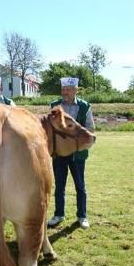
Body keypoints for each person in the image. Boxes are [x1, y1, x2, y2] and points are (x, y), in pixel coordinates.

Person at [47, 77, 95, 229]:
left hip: (77, 154)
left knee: (80, 186)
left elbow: (90, 128)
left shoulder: (84, 106)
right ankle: (58, 214)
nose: (65, 92)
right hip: (59, 154)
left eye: (68, 89)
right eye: (63, 89)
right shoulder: (55, 105)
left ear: (76, 90)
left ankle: (82, 216)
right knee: (59, 186)